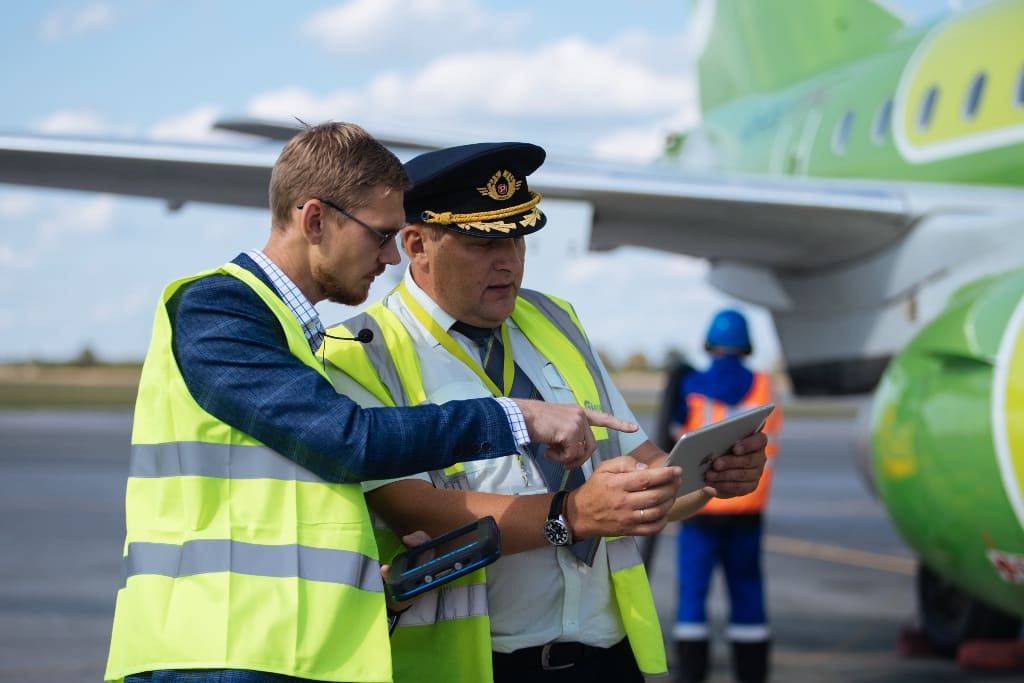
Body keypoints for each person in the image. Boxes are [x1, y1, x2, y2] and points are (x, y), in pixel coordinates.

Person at [104, 123, 636, 683]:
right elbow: (348, 440)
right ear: (315, 221)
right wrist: (517, 415)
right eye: (380, 235)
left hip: (281, 647)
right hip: (216, 650)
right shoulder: (218, 310)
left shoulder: (294, 336)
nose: (390, 255)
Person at [323, 142, 768, 682]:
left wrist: (708, 476)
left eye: (517, 237)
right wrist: (572, 515)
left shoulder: (554, 320)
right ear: (417, 244)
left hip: (604, 657)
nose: (508, 261)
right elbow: (413, 510)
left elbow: (647, 468)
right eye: (482, 242)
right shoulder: (360, 352)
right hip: (477, 667)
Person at [669, 309, 783, 683]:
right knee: (748, 593)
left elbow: (672, 437)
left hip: (699, 509)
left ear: (709, 343)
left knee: (692, 596)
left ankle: (691, 674)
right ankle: (752, 673)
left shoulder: (691, 385)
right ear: (746, 344)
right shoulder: (765, 386)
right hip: (747, 509)